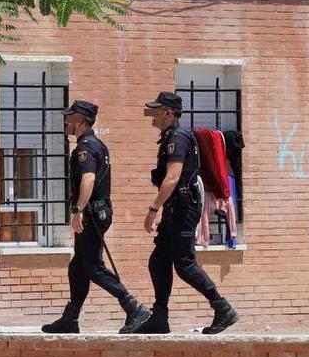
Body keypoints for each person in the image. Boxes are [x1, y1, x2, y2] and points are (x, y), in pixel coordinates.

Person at [42, 99, 152, 334]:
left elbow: (88, 179)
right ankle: (70, 318)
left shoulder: (85, 147)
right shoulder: (95, 144)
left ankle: (133, 306)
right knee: (78, 267)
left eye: (69, 117)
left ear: (80, 121)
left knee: (92, 266)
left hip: (91, 213)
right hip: (97, 211)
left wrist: (77, 211)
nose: (65, 121)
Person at [133, 91, 239, 334]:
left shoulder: (177, 139)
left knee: (185, 264)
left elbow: (172, 177)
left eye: (156, 110)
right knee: (159, 260)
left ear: (168, 113)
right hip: (177, 207)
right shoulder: (172, 136)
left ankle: (223, 308)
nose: (152, 115)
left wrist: (153, 209)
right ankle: (159, 316)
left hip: (183, 207)